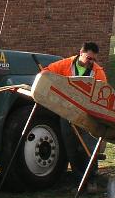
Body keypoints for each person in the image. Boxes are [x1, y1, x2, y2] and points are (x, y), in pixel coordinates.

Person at [45, 41, 107, 189]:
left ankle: (91, 178)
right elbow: (45, 73)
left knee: (88, 147)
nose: (91, 62)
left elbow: (103, 93)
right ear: (81, 53)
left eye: (94, 59)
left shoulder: (98, 72)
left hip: (87, 116)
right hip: (66, 114)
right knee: (71, 147)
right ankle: (78, 179)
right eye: (89, 58)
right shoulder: (64, 65)